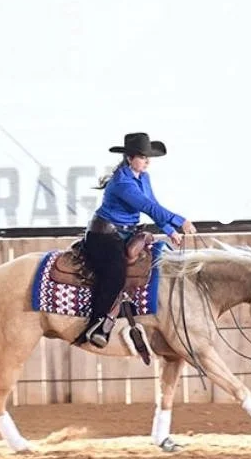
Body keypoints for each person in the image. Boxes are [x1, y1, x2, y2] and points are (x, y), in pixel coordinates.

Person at [78, 132, 197, 348]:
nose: (147, 160)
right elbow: (147, 206)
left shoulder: (143, 177)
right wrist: (181, 220)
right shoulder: (122, 183)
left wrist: (169, 230)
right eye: (143, 156)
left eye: (147, 156)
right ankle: (96, 322)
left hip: (125, 233)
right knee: (115, 273)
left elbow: (152, 204)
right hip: (104, 235)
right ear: (130, 158)